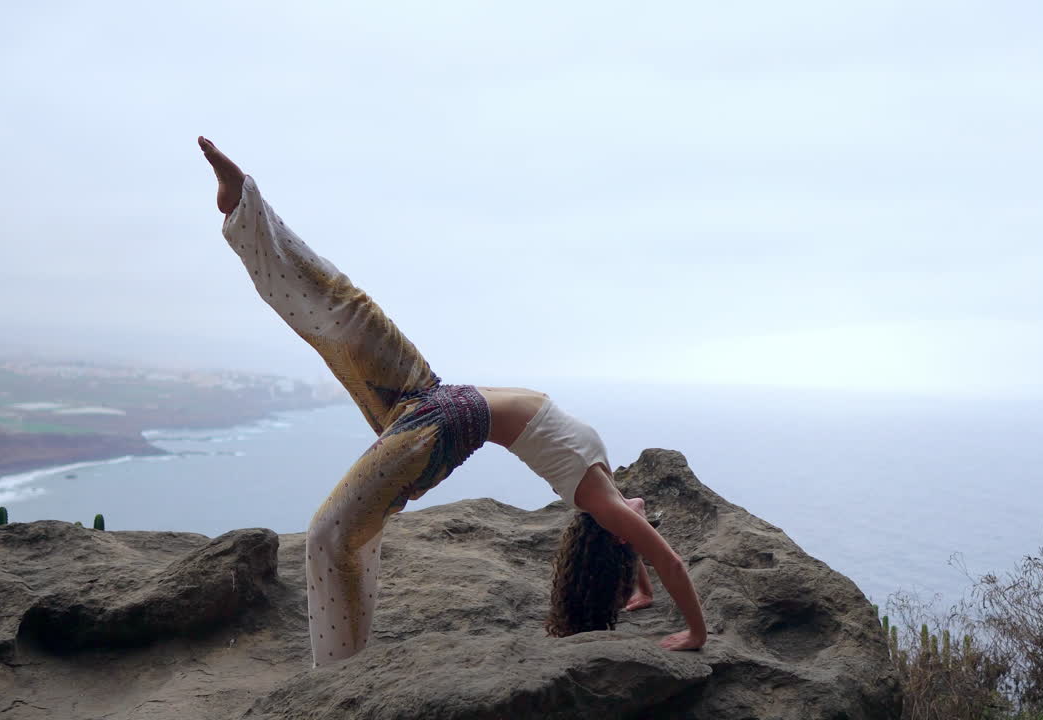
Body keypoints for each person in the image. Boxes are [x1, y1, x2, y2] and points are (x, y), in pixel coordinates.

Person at [197, 137, 706, 667]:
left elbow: (642, 541)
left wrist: (642, 587)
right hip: (436, 410)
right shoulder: (603, 502)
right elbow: (659, 554)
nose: (637, 515)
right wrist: (693, 629)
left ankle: (339, 671)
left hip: (441, 408)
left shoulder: (600, 480)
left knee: (345, 316)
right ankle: (244, 204)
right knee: (332, 521)